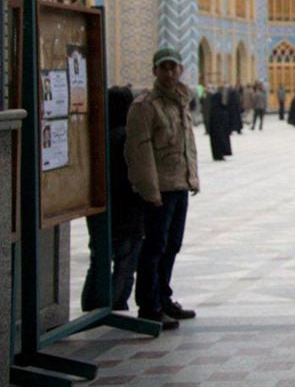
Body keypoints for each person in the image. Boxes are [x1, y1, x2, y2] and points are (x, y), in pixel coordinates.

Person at [125, 47, 200, 330]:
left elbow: (186, 145)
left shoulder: (180, 101)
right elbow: (139, 153)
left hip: (179, 185)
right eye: (163, 68)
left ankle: (163, 297)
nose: (169, 73)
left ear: (180, 70)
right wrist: (150, 191)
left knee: (172, 245)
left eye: (173, 68)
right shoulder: (145, 106)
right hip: (160, 191)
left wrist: (193, 178)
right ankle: (149, 306)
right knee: (154, 247)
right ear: (155, 71)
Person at [81, 85, 144, 312]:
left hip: (99, 206)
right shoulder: (126, 137)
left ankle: (91, 300)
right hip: (126, 209)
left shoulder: (96, 135)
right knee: (126, 258)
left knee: (99, 256)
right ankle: (114, 301)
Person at [207, 90, 232, 160]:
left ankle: (218, 155)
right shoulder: (218, 109)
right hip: (219, 131)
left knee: (216, 143)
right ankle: (219, 154)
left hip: (216, 132)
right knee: (220, 142)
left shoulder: (214, 109)